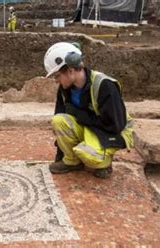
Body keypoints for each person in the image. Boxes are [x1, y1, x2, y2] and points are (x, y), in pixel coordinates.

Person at [44, 42, 134, 179]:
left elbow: (115, 125)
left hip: (112, 129)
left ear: (70, 70)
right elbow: (61, 116)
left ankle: (104, 162)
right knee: (58, 121)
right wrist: (61, 156)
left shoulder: (105, 86)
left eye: (57, 76)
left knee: (88, 155)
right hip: (90, 126)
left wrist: (80, 115)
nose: (56, 81)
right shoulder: (65, 88)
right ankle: (72, 162)